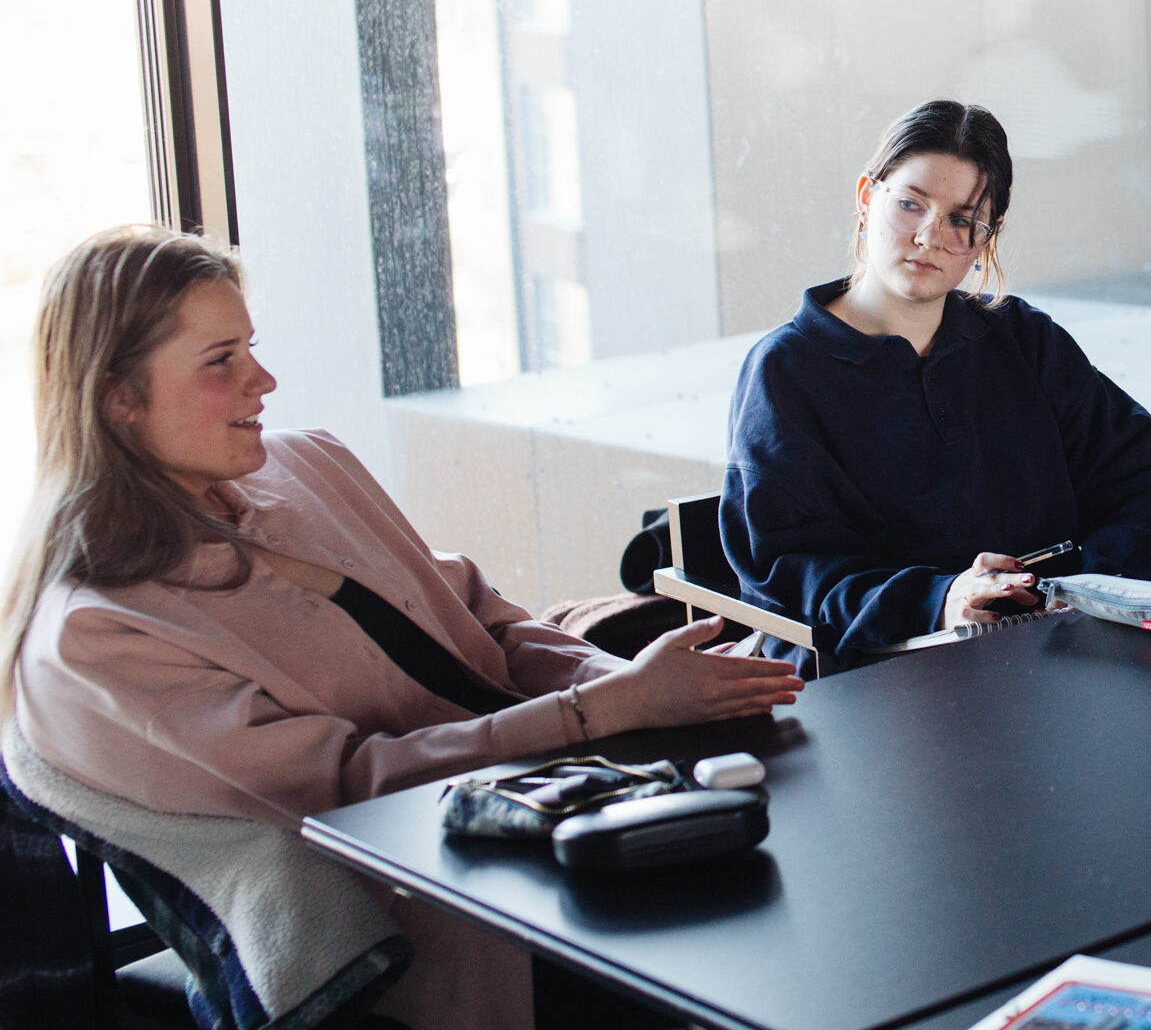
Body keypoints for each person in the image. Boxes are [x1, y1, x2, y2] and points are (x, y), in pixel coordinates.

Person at [0, 227, 803, 1030]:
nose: (264, 380)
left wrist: (634, 683)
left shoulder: (307, 462)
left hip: (572, 796)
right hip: (446, 907)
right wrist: (601, 711)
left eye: (252, 347)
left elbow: (481, 613)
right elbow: (352, 791)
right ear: (119, 398)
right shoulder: (94, 637)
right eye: (221, 361)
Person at [721, 100, 1151, 670]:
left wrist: (1086, 589)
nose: (929, 236)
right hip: (882, 676)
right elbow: (794, 574)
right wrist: (941, 601)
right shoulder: (786, 372)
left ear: (986, 239)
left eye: (961, 220)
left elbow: (1148, 483)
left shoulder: (1024, 340)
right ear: (866, 197)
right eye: (910, 204)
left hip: (1057, 654)